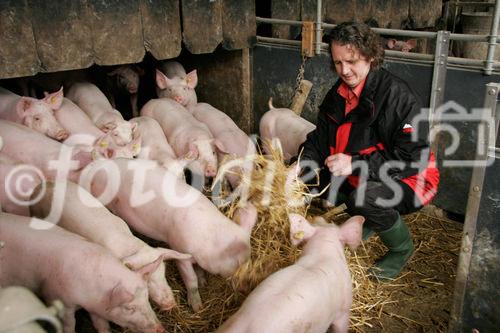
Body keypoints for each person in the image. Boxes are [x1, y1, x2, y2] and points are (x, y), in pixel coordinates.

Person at [297, 22, 440, 280]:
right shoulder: (337, 94)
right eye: (338, 62)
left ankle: (401, 249)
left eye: (351, 61)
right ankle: (370, 220)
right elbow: (318, 139)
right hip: (364, 172)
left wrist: (355, 163)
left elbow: (413, 158)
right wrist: (300, 165)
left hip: (413, 178)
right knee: (307, 178)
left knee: (364, 199)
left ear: (370, 56)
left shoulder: (399, 97)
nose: (344, 70)